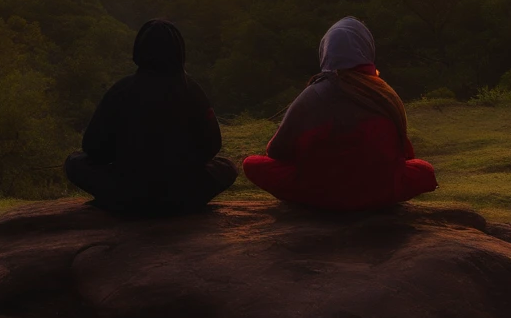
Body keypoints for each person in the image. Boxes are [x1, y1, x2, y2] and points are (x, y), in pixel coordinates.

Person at [243, 17, 437, 210]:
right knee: (424, 171)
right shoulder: (385, 93)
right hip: (379, 192)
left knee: (252, 164)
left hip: (320, 194)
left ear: (326, 51)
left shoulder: (313, 94)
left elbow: (276, 152)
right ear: (367, 48)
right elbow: (405, 154)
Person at [65, 19, 237, 216]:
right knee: (227, 166)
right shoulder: (192, 90)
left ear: (138, 50)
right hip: (183, 193)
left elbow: (93, 148)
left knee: (75, 162)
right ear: (179, 51)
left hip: (128, 194)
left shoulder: (121, 90)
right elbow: (213, 145)